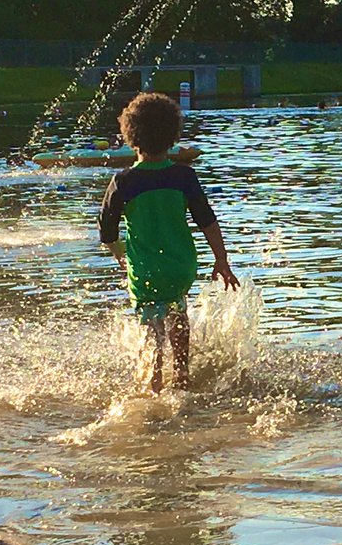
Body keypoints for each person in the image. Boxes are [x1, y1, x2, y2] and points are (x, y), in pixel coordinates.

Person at [98, 93, 239, 395]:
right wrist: (221, 260)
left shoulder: (123, 182)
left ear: (130, 135)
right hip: (180, 266)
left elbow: (107, 230)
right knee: (178, 313)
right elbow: (207, 221)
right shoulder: (184, 176)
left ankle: (155, 381)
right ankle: (182, 373)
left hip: (146, 269)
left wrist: (120, 256)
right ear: (173, 136)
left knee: (152, 325)